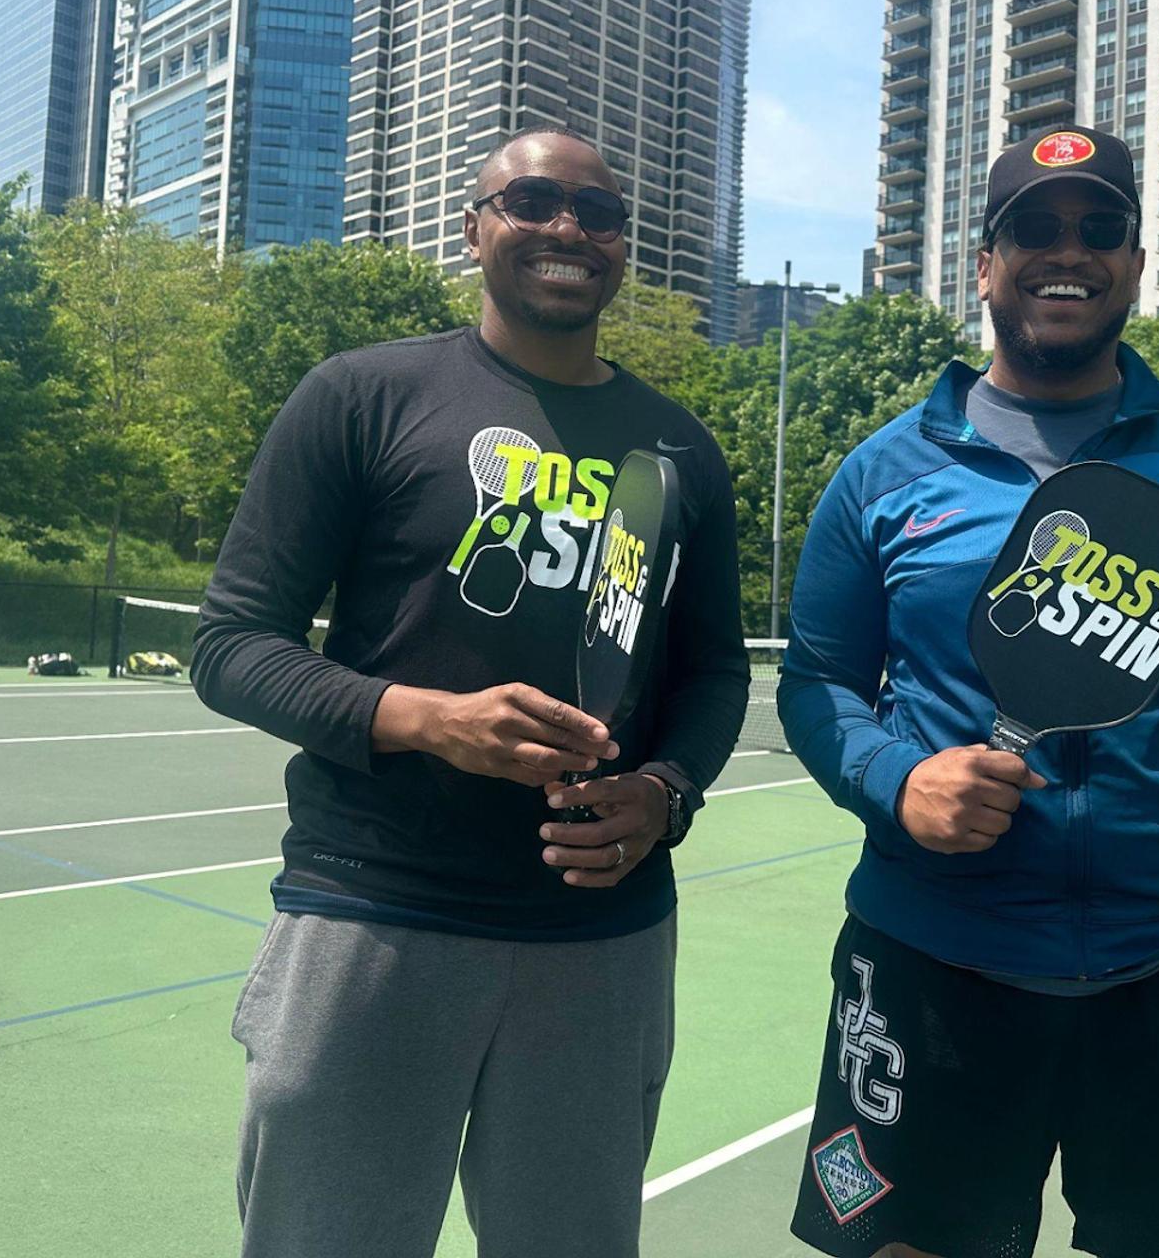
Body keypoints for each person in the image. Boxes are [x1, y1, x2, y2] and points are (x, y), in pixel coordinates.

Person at [780, 125, 1159, 1258]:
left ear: (1133, 262)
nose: (1065, 252)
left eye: (1099, 229)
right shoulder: (883, 471)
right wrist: (896, 779)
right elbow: (817, 682)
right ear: (984, 263)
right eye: (1033, 228)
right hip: (935, 966)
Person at [190, 124, 750, 1258]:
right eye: (532, 200)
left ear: (622, 248)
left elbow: (715, 672)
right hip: (376, 912)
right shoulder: (364, 395)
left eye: (597, 213)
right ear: (475, 227)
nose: (566, 228)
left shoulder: (679, 449)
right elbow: (232, 643)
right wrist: (423, 721)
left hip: (603, 937)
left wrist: (670, 792)